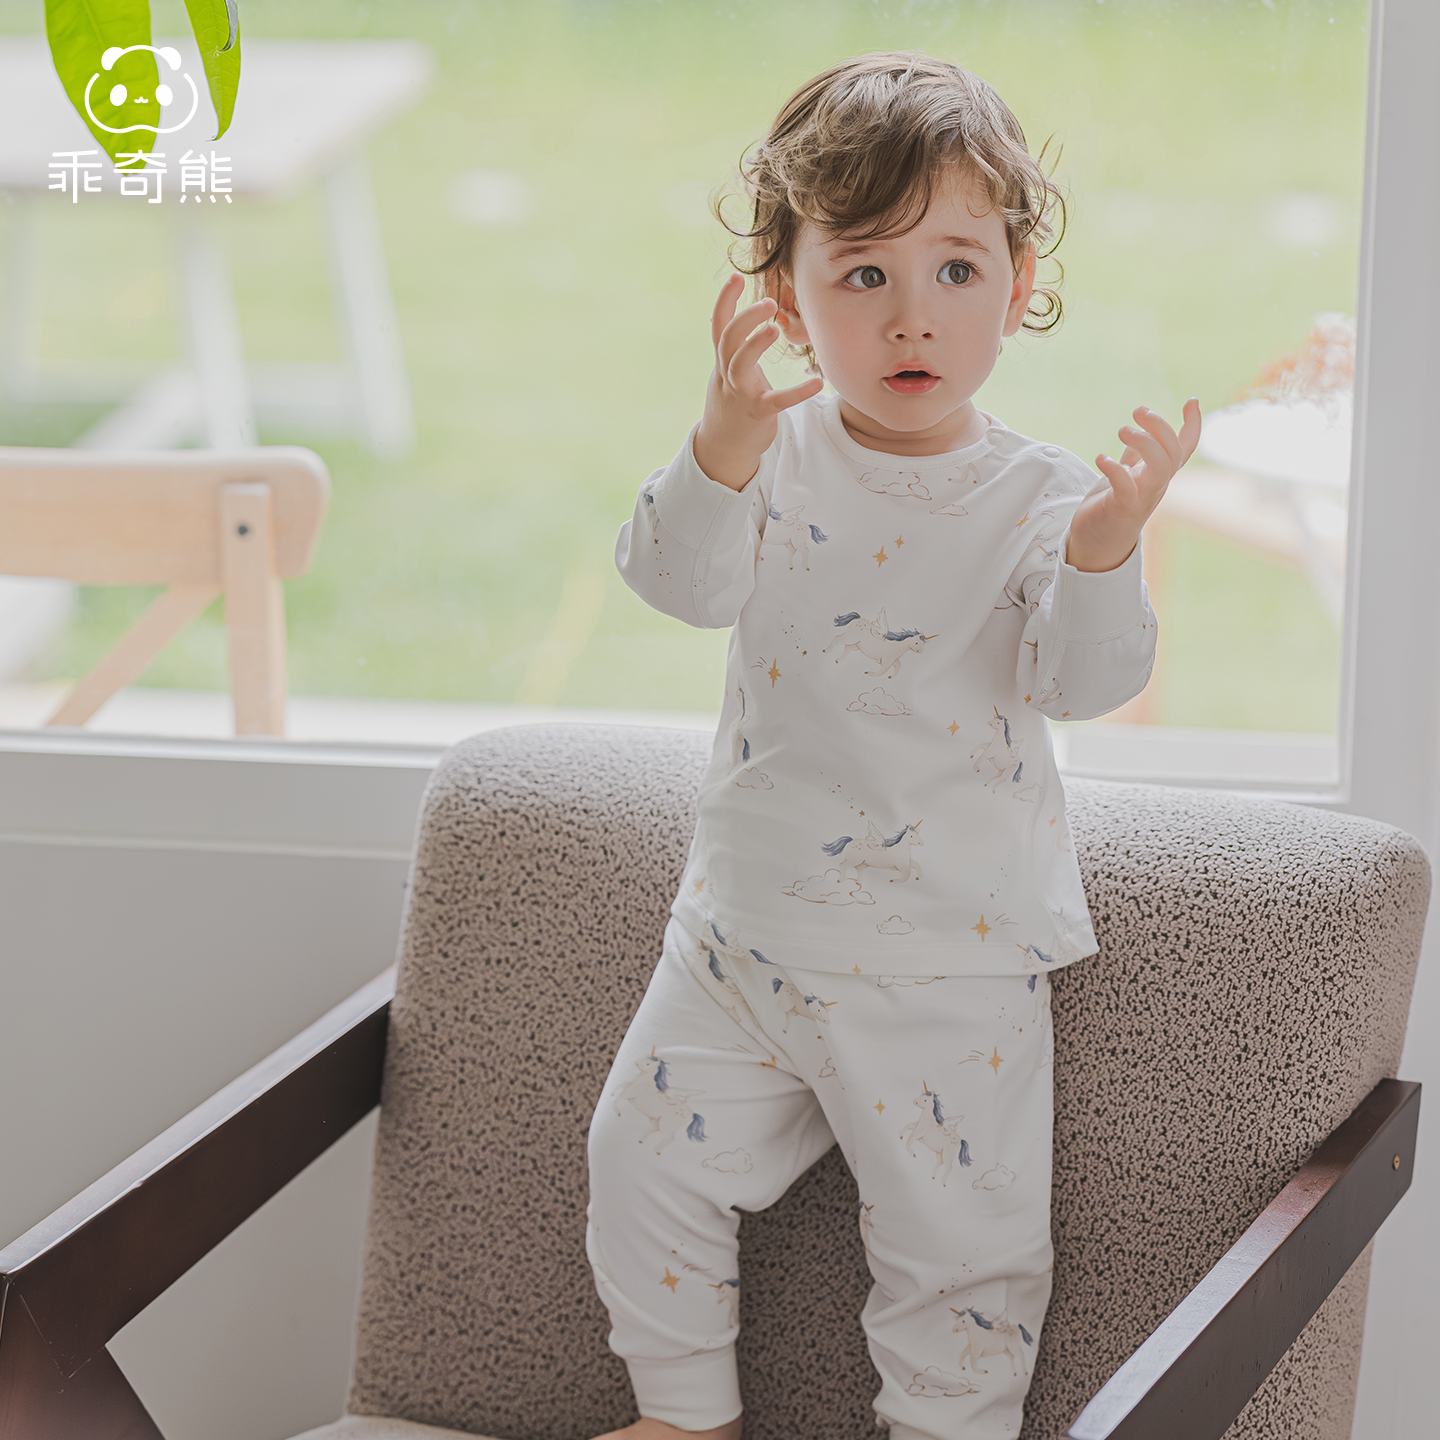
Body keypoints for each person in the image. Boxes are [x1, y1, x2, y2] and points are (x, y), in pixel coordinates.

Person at [585, 51, 1200, 1440]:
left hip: (950, 963)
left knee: (963, 1258)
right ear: (782, 295)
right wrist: (718, 444)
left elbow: (1083, 681)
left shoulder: (1044, 498)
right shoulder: (768, 456)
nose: (912, 315)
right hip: (744, 939)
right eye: (863, 273)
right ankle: (682, 1417)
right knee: (639, 1158)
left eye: (956, 270)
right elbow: (676, 584)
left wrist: (1106, 552)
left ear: (1019, 284)